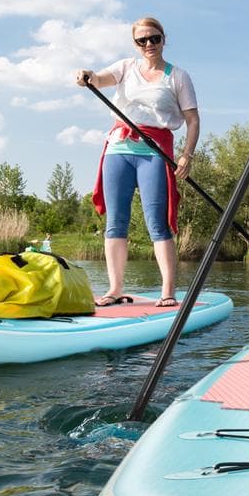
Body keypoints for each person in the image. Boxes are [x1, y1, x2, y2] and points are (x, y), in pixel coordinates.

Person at [76, 17, 200, 307]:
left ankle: (167, 291)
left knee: (157, 223)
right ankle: (115, 289)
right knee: (115, 222)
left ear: (163, 39)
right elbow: (98, 79)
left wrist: (187, 155)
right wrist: (86, 76)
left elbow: (193, 121)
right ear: (135, 43)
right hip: (117, 149)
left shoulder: (178, 77)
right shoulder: (125, 67)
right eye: (141, 40)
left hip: (154, 153)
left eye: (154, 38)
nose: (148, 45)